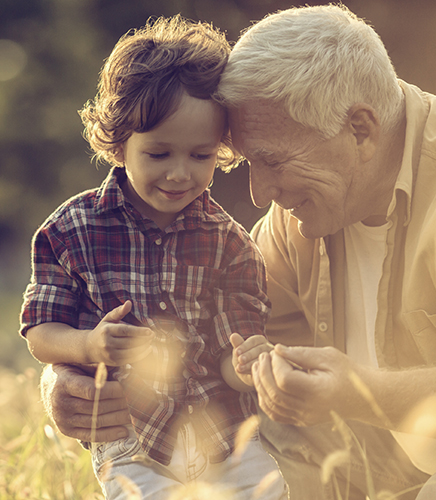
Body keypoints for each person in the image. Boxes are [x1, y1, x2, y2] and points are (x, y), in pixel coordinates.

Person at [44, 4, 436, 499]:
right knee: (235, 432)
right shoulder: (299, 221)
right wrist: (69, 380)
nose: (258, 193)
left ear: (360, 129)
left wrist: (358, 392)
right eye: (250, 163)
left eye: (272, 161)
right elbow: (209, 347)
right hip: (388, 464)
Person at [19, 15, 285, 500]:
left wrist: (247, 362)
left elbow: (231, 349)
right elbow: (41, 333)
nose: (180, 174)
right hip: (130, 437)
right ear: (120, 145)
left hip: (224, 434)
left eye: (200, 156)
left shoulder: (230, 242)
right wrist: (88, 348)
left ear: (221, 150)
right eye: (159, 154)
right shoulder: (72, 230)